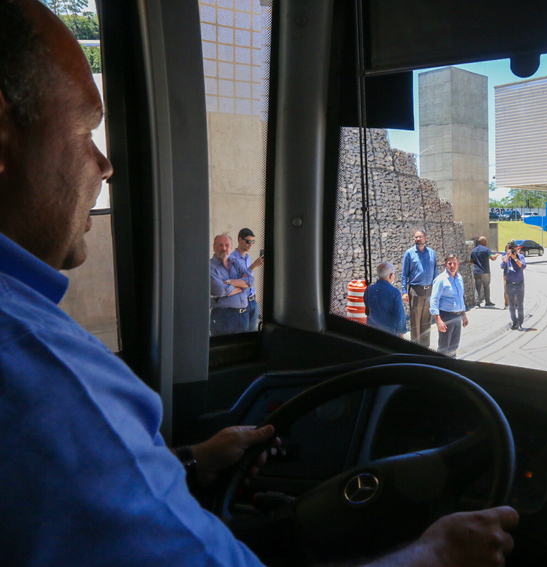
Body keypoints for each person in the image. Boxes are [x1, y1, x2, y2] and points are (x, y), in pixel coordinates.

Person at [0, 2, 517, 565]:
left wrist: (194, 460)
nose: (105, 166)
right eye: (86, 131)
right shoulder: (45, 379)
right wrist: (434, 556)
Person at [401, 229, 438, 347]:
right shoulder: (409, 253)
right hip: (415, 291)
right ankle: (415, 347)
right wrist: (404, 291)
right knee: (415, 321)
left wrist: (436, 291)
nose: (418, 239)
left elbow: (435, 273)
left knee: (427, 321)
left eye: (420, 237)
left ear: (425, 238)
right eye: (416, 237)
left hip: (429, 291)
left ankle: (425, 346)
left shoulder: (431, 253)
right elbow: (404, 274)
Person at [429, 254, 468, 357]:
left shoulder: (459, 278)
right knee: (444, 348)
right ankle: (440, 368)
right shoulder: (440, 279)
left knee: (454, 346)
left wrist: (463, 314)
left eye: (454, 263)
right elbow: (434, 300)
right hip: (446, 316)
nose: (452, 265)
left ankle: (451, 366)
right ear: (445, 264)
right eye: (449, 263)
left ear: (458, 264)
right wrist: (438, 320)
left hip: (457, 316)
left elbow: (461, 296)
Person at [210, 233, 250, 335]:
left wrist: (229, 283)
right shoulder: (210, 266)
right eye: (220, 245)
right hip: (223, 317)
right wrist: (241, 285)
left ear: (231, 247)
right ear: (214, 247)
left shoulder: (236, 262)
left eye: (227, 245)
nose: (224, 248)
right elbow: (219, 290)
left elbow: (250, 281)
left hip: (243, 316)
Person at [230, 227, 264, 331]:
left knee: (253, 331)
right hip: (242, 301)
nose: (250, 245)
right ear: (240, 239)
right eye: (248, 241)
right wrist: (253, 266)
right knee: (243, 331)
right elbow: (236, 281)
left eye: (252, 242)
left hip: (253, 300)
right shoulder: (232, 259)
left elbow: (246, 278)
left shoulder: (247, 257)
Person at [364, 262, 406, 337]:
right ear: (391, 275)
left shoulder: (368, 290)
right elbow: (399, 315)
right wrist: (401, 332)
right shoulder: (394, 292)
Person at [501, 241, 527, 331]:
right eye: (511, 250)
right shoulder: (506, 257)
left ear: (517, 249)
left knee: (520, 305)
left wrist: (515, 258)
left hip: (519, 283)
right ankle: (514, 322)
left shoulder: (520, 257)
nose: (513, 251)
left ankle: (520, 323)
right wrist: (507, 257)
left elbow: (523, 266)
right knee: (511, 306)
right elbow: (502, 266)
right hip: (510, 284)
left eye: (515, 250)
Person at [469, 236, 498, 307]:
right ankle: (487, 302)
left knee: (477, 287)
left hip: (476, 271)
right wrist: (496, 255)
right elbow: (492, 258)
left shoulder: (473, 250)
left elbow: (471, 261)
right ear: (483, 242)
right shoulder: (486, 250)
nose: (487, 242)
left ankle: (477, 303)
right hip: (485, 271)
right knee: (486, 286)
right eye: (486, 241)